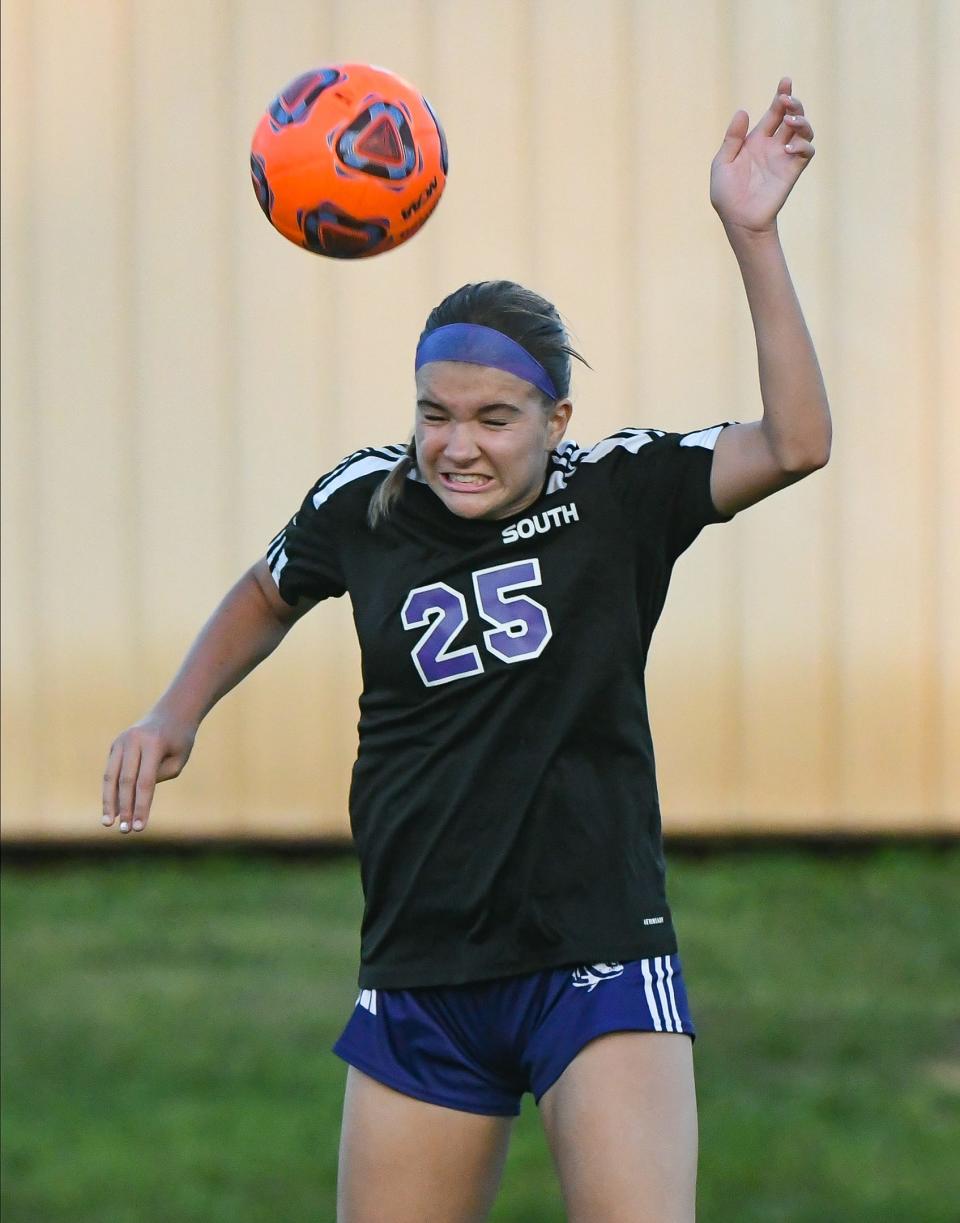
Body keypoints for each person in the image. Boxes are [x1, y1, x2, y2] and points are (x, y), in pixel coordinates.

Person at [102, 78, 829, 1222]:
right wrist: (172, 712)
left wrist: (754, 235)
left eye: (495, 417)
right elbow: (266, 589)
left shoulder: (618, 492)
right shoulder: (365, 501)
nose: (457, 445)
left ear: (556, 419)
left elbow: (796, 441)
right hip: (422, 964)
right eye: (435, 412)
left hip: (592, 955)